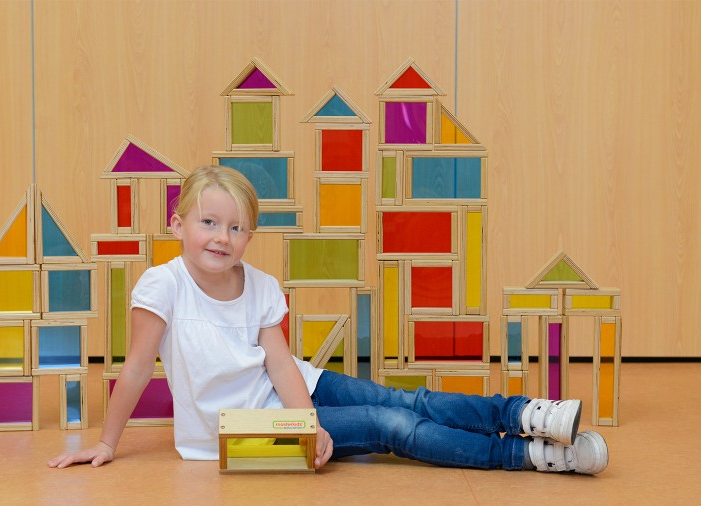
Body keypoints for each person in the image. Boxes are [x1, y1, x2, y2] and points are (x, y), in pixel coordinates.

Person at [49, 165, 608, 475]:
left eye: (237, 228)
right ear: (178, 225)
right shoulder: (163, 286)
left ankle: (524, 413)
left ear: (249, 236)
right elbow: (136, 369)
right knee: (393, 426)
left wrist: (308, 420)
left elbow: (279, 364)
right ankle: (530, 455)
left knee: (404, 400)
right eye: (209, 223)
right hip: (241, 431)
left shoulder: (259, 285)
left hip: (294, 391)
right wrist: (107, 443)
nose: (222, 237)